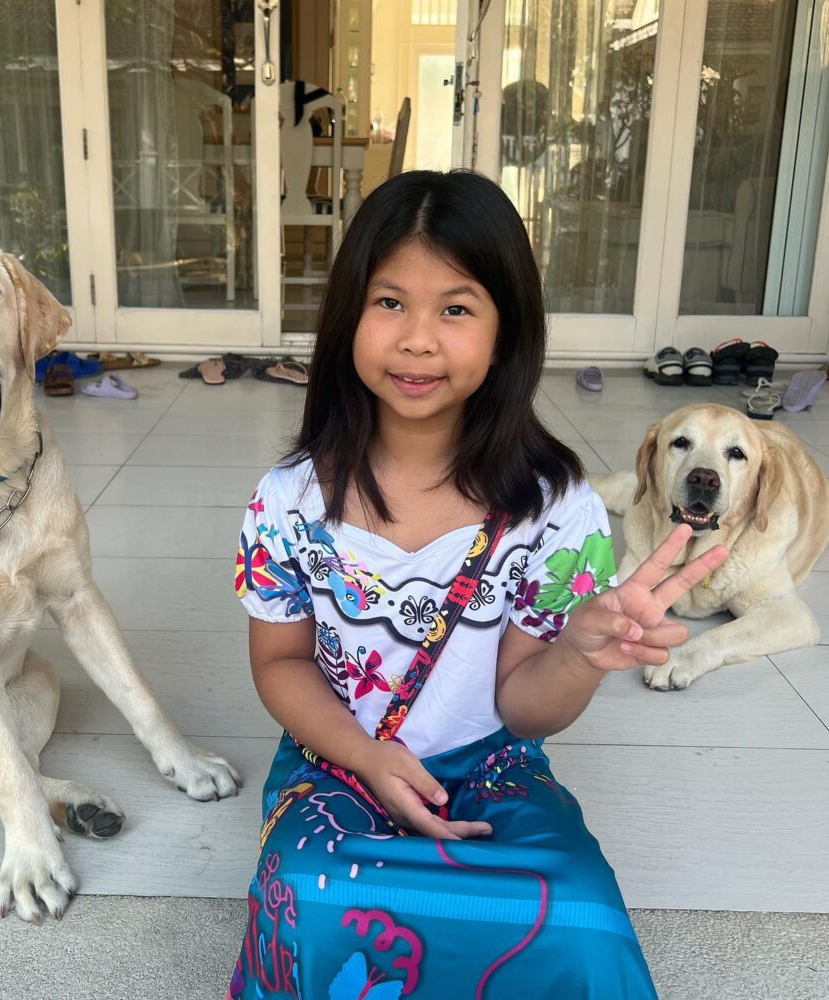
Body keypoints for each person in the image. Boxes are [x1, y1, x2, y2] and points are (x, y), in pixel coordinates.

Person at [228, 170, 727, 999]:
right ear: (348, 316)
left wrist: (578, 654)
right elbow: (279, 662)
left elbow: (525, 710)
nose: (418, 340)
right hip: (339, 761)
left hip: (493, 768)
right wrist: (366, 755)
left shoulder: (557, 511)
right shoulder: (289, 501)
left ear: (506, 332)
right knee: (312, 899)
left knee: (581, 917)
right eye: (390, 302)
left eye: (456, 309)